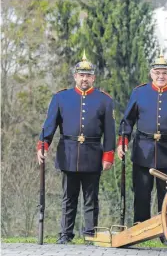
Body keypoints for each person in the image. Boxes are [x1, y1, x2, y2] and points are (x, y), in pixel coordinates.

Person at [37, 51, 116, 244]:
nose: (84, 79)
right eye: (81, 75)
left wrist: (108, 155)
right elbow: (50, 125)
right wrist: (43, 144)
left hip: (93, 154)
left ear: (93, 78)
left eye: (88, 75)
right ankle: (65, 234)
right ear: (75, 77)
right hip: (68, 152)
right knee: (68, 198)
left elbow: (110, 131)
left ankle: (89, 234)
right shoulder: (60, 98)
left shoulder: (104, 100)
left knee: (91, 199)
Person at [117, 52, 167, 244]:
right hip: (143, 150)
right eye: (157, 72)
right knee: (141, 193)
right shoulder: (139, 93)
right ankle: (140, 229)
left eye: (164, 73)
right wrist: (123, 140)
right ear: (151, 73)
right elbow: (128, 120)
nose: (161, 76)